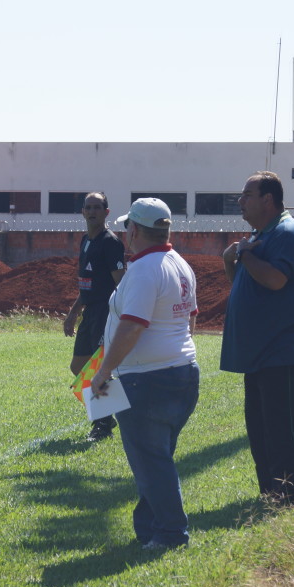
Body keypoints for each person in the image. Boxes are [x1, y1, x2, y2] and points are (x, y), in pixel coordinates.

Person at [91, 198, 199, 550]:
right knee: (156, 459)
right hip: (181, 372)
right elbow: (191, 319)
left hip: (146, 379)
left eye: (127, 228)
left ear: (134, 230)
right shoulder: (180, 264)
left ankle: (170, 534)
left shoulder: (143, 269)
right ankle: (150, 529)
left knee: (152, 464)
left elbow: (133, 325)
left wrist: (104, 371)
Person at [220, 171, 294, 505]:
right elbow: (243, 282)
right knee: (261, 429)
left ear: (268, 200)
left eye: (247, 194)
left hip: (282, 351)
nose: (240, 201)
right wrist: (231, 260)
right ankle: (271, 492)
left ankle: (292, 496)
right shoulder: (261, 234)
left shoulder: (287, 233)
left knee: (282, 426)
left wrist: (245, 253)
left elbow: (275, 280)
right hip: (259, 353)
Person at [62, 192, 125, 441]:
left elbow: (120, 283)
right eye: (88, 207)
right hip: (90, 312)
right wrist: (74, 312)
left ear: (106, 212)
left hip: (105, 313)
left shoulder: (111, 242)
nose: (92, 211)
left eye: (97, 207)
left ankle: (103, 425)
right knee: (78, 366)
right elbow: (87, 282)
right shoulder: (85, 240)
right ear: (82, 212)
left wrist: (120, 316)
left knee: (100, 369)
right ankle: (107, 417)